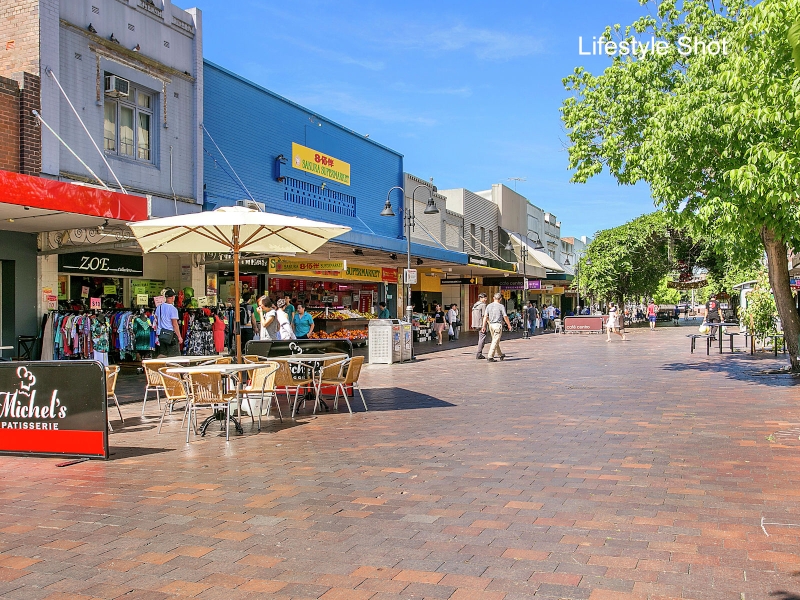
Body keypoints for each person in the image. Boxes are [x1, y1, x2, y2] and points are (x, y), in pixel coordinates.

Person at [482, 293, 512, 362]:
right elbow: (505, 316)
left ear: (493, 298)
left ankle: (500, 354)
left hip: (491, 325)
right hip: (497, 325)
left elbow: (485, 316)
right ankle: (490, 356)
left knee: (495, 340)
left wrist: (483, 326)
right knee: (495, 341)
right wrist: (509, 325)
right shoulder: (501, 306)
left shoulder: (489, 306)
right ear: (500, 299)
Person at [155, 288, 182, 357]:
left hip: (161, 334)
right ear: (173, 297)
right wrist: (179, 337)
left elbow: (157, 320)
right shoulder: (173, 309)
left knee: (163, 354)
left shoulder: (159, 308)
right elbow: (174, 324)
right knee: (174, 355)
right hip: (170, 335)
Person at [472, 293, 489, 359]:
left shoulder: (475, 305)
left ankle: (479, 353)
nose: (486, 299)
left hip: (475, 324)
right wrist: (485, 325)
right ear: (481, 298)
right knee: (482, 339)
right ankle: (479, 354)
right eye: (485, 298)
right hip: (481, 324)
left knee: (481, 338)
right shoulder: (483, 305)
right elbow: (484, 316)